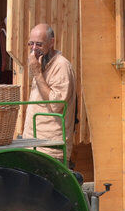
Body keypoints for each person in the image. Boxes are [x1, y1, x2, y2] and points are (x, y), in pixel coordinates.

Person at [19, 23, 83, 162]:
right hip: (34, 144)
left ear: (51, 42)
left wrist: (37, 73)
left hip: (50, 149)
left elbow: (55, 105)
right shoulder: (41, 62)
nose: (34, 49)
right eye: (31, 44)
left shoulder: (61, 66)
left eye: (39, 45)